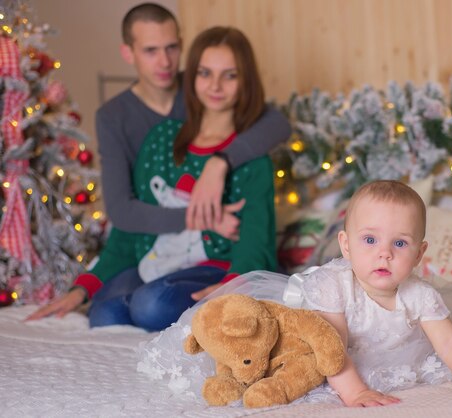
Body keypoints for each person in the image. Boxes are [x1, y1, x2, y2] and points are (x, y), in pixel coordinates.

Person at [137, 180, 452, 405]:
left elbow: (449, 343)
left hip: (378, 351)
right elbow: (329, 345)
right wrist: (355, 394)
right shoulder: (336, 286)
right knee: (269, 342)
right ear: (347, 245)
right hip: (319, 343)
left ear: (420, 254)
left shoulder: (419, 295)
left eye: (400, 244)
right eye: (369, 239)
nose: (384, 252)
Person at [26, 3, 290, 322]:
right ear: (129, 52)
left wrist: (219, 163)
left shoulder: (214, 108)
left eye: (172, 48)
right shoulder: (144, 130)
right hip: (156, 251)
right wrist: (84, 287)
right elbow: (125, 214)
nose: (164, 62)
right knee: (105, 314)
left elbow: (277, 124)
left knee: (151, 305)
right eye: (151, 50)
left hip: (211, 261)